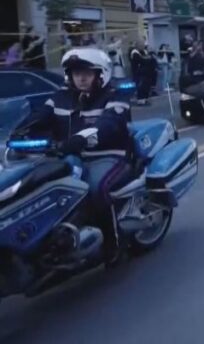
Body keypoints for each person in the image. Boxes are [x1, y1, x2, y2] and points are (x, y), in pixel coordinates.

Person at [21, 48, 134, 263]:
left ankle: (114, 244)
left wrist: (81, 139)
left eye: (87, 73)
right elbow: (38, 117)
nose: (81, 78)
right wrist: (18, 130)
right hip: (67, 155)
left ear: (100, 75)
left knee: (96, 189)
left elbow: (109, 124)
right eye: (76, 73)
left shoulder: (115, 96)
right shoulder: (60, 97)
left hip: (107, 155)